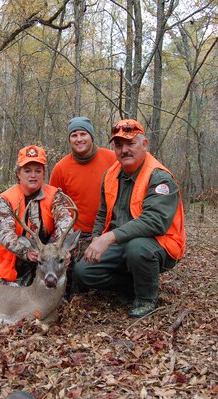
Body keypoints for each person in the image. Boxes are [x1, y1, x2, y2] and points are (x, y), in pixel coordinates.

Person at [72, 119, 186, 318]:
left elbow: (154, 222)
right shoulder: (110, 175)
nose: (124, 150)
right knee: (83, 272)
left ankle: (146, 298)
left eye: (131, 143)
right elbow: (102, 213)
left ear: (144, 144)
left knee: (137, 248)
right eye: (118, 145)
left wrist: (108, 238)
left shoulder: (160, 178)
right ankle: (132, 285)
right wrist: (97, 237)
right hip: (120, 242)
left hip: (160, 244)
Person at [0, 145, 74, 286]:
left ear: (43, 174)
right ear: (19, 173)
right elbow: (4, 233)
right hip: (19, 261)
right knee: (16, 301)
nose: (33, 175)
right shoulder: (6, 199)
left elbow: (65, 221)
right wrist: (26, 252)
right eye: (27, 171)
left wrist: (63, 249)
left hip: (49, 258)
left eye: (38, 171)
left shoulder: (55, 195)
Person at [49, 116, 117, 259]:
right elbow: (54, 206)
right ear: (70, 140)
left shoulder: (113, 159)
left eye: (83, 134)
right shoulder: (61, 168)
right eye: (74, 135)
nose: (79, 139)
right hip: (75, 235)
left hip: (108, 233)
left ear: (91, 136)